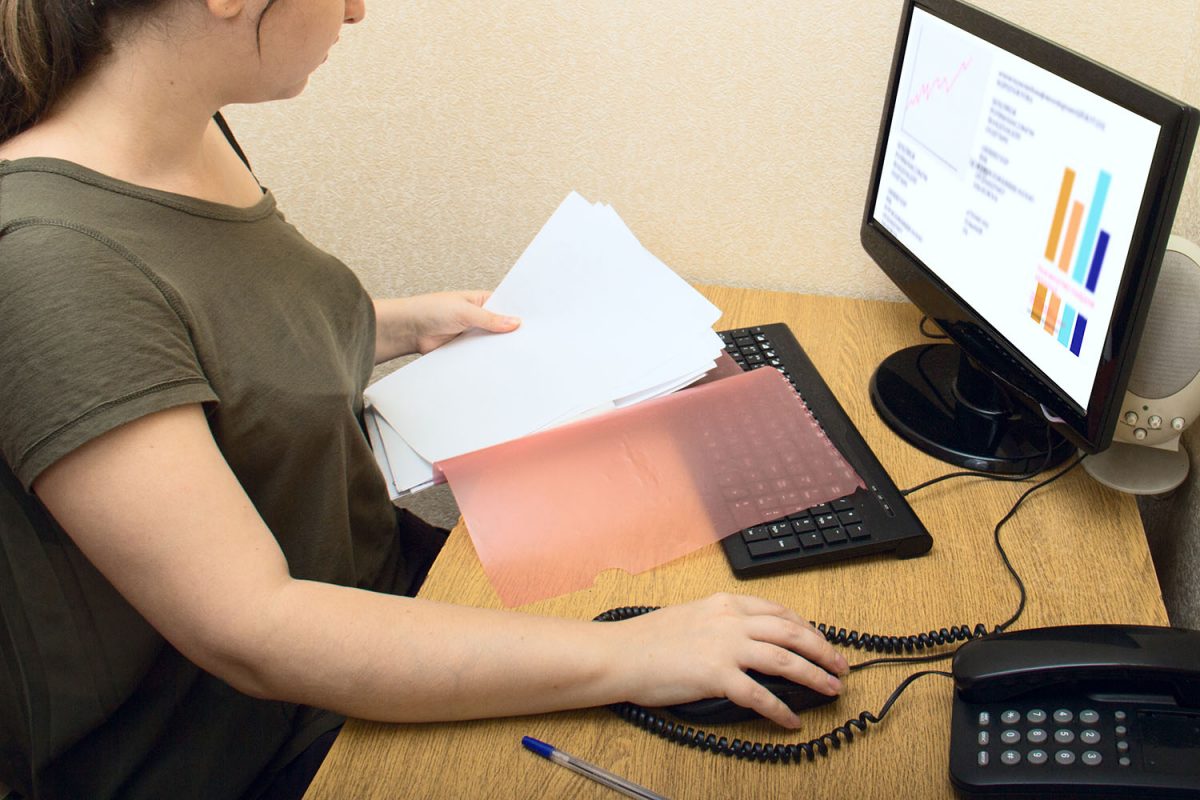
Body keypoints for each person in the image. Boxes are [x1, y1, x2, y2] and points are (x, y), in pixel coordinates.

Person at [0, 1, 848, 797]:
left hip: (382, 594)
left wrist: (399, 323)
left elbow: (210, 334)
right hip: (252, 739)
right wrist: (631, 654)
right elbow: (253, 629)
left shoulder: (187, 132)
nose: (359, 9)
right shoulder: (51, 264)